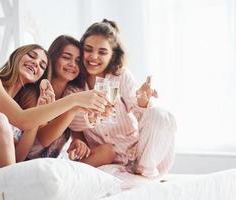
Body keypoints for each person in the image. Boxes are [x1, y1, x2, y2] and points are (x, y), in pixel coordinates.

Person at [0, 44, 108, 195]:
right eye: (31, 56)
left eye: (42, 65)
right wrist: (74, 100)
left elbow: (16, 160)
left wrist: (42, 115)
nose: (36, 63)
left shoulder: (22, 107)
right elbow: (21, 119)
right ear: (17, 56)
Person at [65, 19, 177, 178]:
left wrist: (142, 101)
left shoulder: (120, 76)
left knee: (161, 115)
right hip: (109, 160)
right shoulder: (73, 88)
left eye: (102, 52)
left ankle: (145, 171)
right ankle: (140, 179)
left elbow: (142, 114)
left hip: (139, 153)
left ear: (112, 55)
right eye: (88, 49)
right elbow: (75, 125)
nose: (93, 57)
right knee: (109, 181)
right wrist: (94, 112)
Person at [18, 35, 115, 167]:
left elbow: (77, 136)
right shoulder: (35, 92)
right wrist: (73, 107)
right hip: (28, 163)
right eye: (66, 57)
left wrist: (78, 144)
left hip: (53, 163)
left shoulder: (72, 94)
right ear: (52, 58)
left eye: (77, 61)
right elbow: (42, 139)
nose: (72, 64)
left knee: (108, 151)